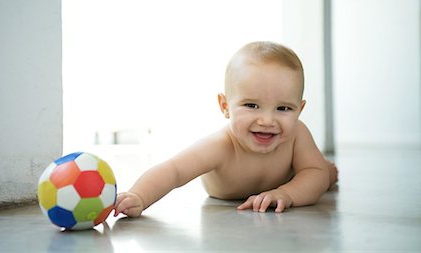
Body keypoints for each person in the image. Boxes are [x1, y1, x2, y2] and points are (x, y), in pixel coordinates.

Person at [114, 41, 338, 218]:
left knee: (319, 174)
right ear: (225, 106)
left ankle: (327, 170)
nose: (267, 120)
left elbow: (313, 175)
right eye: (251, 105)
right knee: (318, 172)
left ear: (299, 110)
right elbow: (174, 170)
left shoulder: (297, 134)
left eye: (283, 108)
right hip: (232, 188)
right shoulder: (220, 146)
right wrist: (139, 195)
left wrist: (287, 193)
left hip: (283, 181)